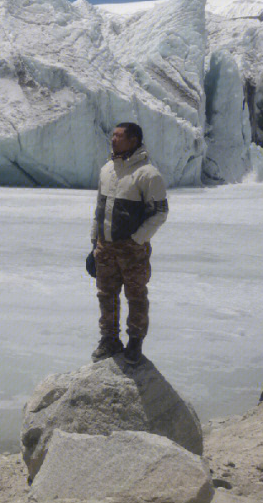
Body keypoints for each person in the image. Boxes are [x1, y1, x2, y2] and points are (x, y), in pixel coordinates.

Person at [89, 122, 169, 364]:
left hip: (132, 250)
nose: (113, 139)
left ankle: (135, 342)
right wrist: (94, 243)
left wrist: (137, 240)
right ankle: (109, 339)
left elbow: (160, 213)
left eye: (119, 136)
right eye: (113, 135)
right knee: (106, 295)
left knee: (135, 296)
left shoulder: (148, 174)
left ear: (133, 140)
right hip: (105, 247)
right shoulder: (107, 170)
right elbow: (99, 211)